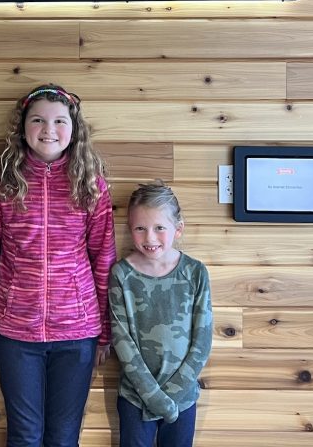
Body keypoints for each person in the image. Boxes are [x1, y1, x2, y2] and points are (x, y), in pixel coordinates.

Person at [0, 83, 116, 447]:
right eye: (38, 120)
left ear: (74, 128)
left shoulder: (91, 183)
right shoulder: (1, 181)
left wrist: (106, 331)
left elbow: (104, 257)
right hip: (14, 332)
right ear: (22, 127)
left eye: (59, 121)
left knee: (64, 437)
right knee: (24, 435)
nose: (48, 130)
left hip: (78, 332)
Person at [109, 181, 213, 447]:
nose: (150, 238)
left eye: (159, 228)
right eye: (140, 229)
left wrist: (171, 396)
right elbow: (122, 340)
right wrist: (154, 397)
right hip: (135, 395)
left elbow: (202, 341)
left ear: (178, 229)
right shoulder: (122, 274)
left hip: (183, 396)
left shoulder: (195, 272)